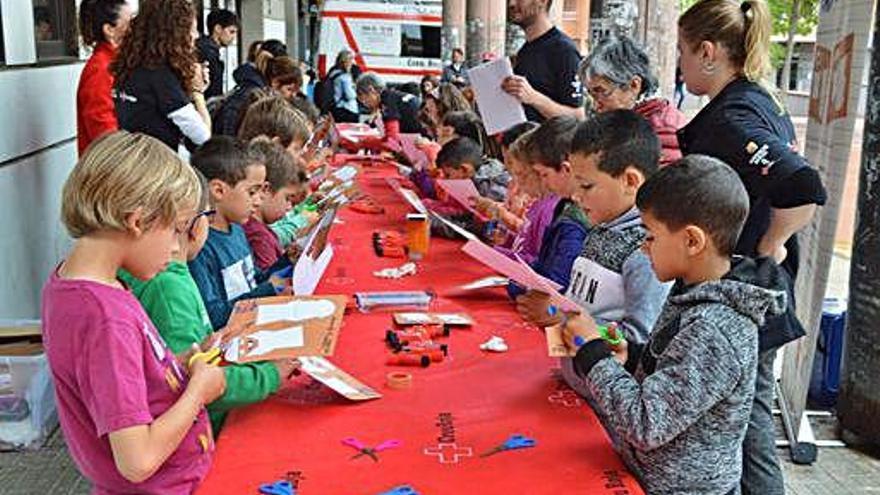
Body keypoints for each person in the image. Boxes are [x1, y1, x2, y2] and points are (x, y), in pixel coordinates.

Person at [560, 155, 787, 494]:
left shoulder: (715, 329)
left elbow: (646, 424)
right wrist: (633, 355)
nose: (642, 245)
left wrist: (592, 353)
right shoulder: (692, 292)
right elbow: (676, 380)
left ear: (692, 241)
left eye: (650, 236)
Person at [676, 1, 828, 492]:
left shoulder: (734, 116)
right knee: (744, 414)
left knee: (748, 421)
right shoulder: (754, 99)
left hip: (747, 286)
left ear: (706, 52)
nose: (679, 64)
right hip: (749, 284)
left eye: (681, 52)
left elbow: (802, 184)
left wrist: (772, 241)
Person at [42, 131, 225, 493]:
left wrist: (178, 360)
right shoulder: (105, 317)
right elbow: (137, 461)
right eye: (174, 230)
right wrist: (197, 394)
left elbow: (115, 378)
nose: (177, 248)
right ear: (137, 221)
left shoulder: (74, 284)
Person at [118, 167, 297, 435]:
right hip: (204, 432)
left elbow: (184, 358)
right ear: (193, 223)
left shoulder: (165, 274)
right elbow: (190, 383)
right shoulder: (167, 287)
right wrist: (269, 375)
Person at [188, 137, 279, 331]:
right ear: (218, 190)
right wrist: (269, 290)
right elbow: (214, 316)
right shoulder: (199, 247)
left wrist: (286, 263)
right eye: (252, 192)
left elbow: (253, 278)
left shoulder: (237, 229)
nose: (258, 201)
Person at [112, 0, 211, 151]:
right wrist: (197, 92)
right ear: (175, 33)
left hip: (131, 159)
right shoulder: (160, 76)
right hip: (156, 165)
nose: (196, 36)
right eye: (192, 30)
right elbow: (203, 136)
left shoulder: (129, 66)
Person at [510, 116, 588, 301]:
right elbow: (543, 264)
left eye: (543, 174)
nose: (542, 181)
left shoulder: (576, 220)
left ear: (566, 169)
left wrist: (520, 285)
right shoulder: (563, 207)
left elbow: (557, 284)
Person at [579, 36, 687, 166]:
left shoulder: (663, 131)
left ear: (634, 85)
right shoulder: (629, 120)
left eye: (602, 92)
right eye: (591, 95)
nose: (596, 106)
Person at [503, 0, 584, 121]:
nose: (512, 4)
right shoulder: (524, 51)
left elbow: (578, 117)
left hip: (549, 139)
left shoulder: (564, 50)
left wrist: (534, 98)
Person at [76, 0, 132, 155]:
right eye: (130, 22)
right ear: (109, 30)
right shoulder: (100, 69)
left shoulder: (115, 64)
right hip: (111, 172)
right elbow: (106, 136)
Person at [243, 139, 306, 272]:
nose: (289, 207)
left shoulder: (260, 230)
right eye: (287, 198)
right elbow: (273, 282)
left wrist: (287, 259)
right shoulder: (259, 238)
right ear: (265, 190)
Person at [215, 55, 305, 136]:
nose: (292, 96)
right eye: (289, 89)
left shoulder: (252, 91)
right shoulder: (252, 97)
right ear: (275, 83)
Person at [356, 72, 423, 149]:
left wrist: (365, 142)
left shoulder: (387, 100)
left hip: (422, 143)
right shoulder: (393, 96)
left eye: (364, 99)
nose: (365, 105)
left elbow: (392, 140)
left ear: (371, 90)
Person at [197, 9, 239, 98]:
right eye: (231, 32)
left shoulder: (204, 48)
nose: (234, 37)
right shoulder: (208, 53)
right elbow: (213, 91)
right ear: (218, 29)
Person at [323, 50, 359, 123]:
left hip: (335, 107)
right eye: (351, 59)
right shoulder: (345, 77)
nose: (352, 62)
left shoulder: (333, 73)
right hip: (347, 110)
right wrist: (355, 89)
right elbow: (350, 95)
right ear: (345, 62)